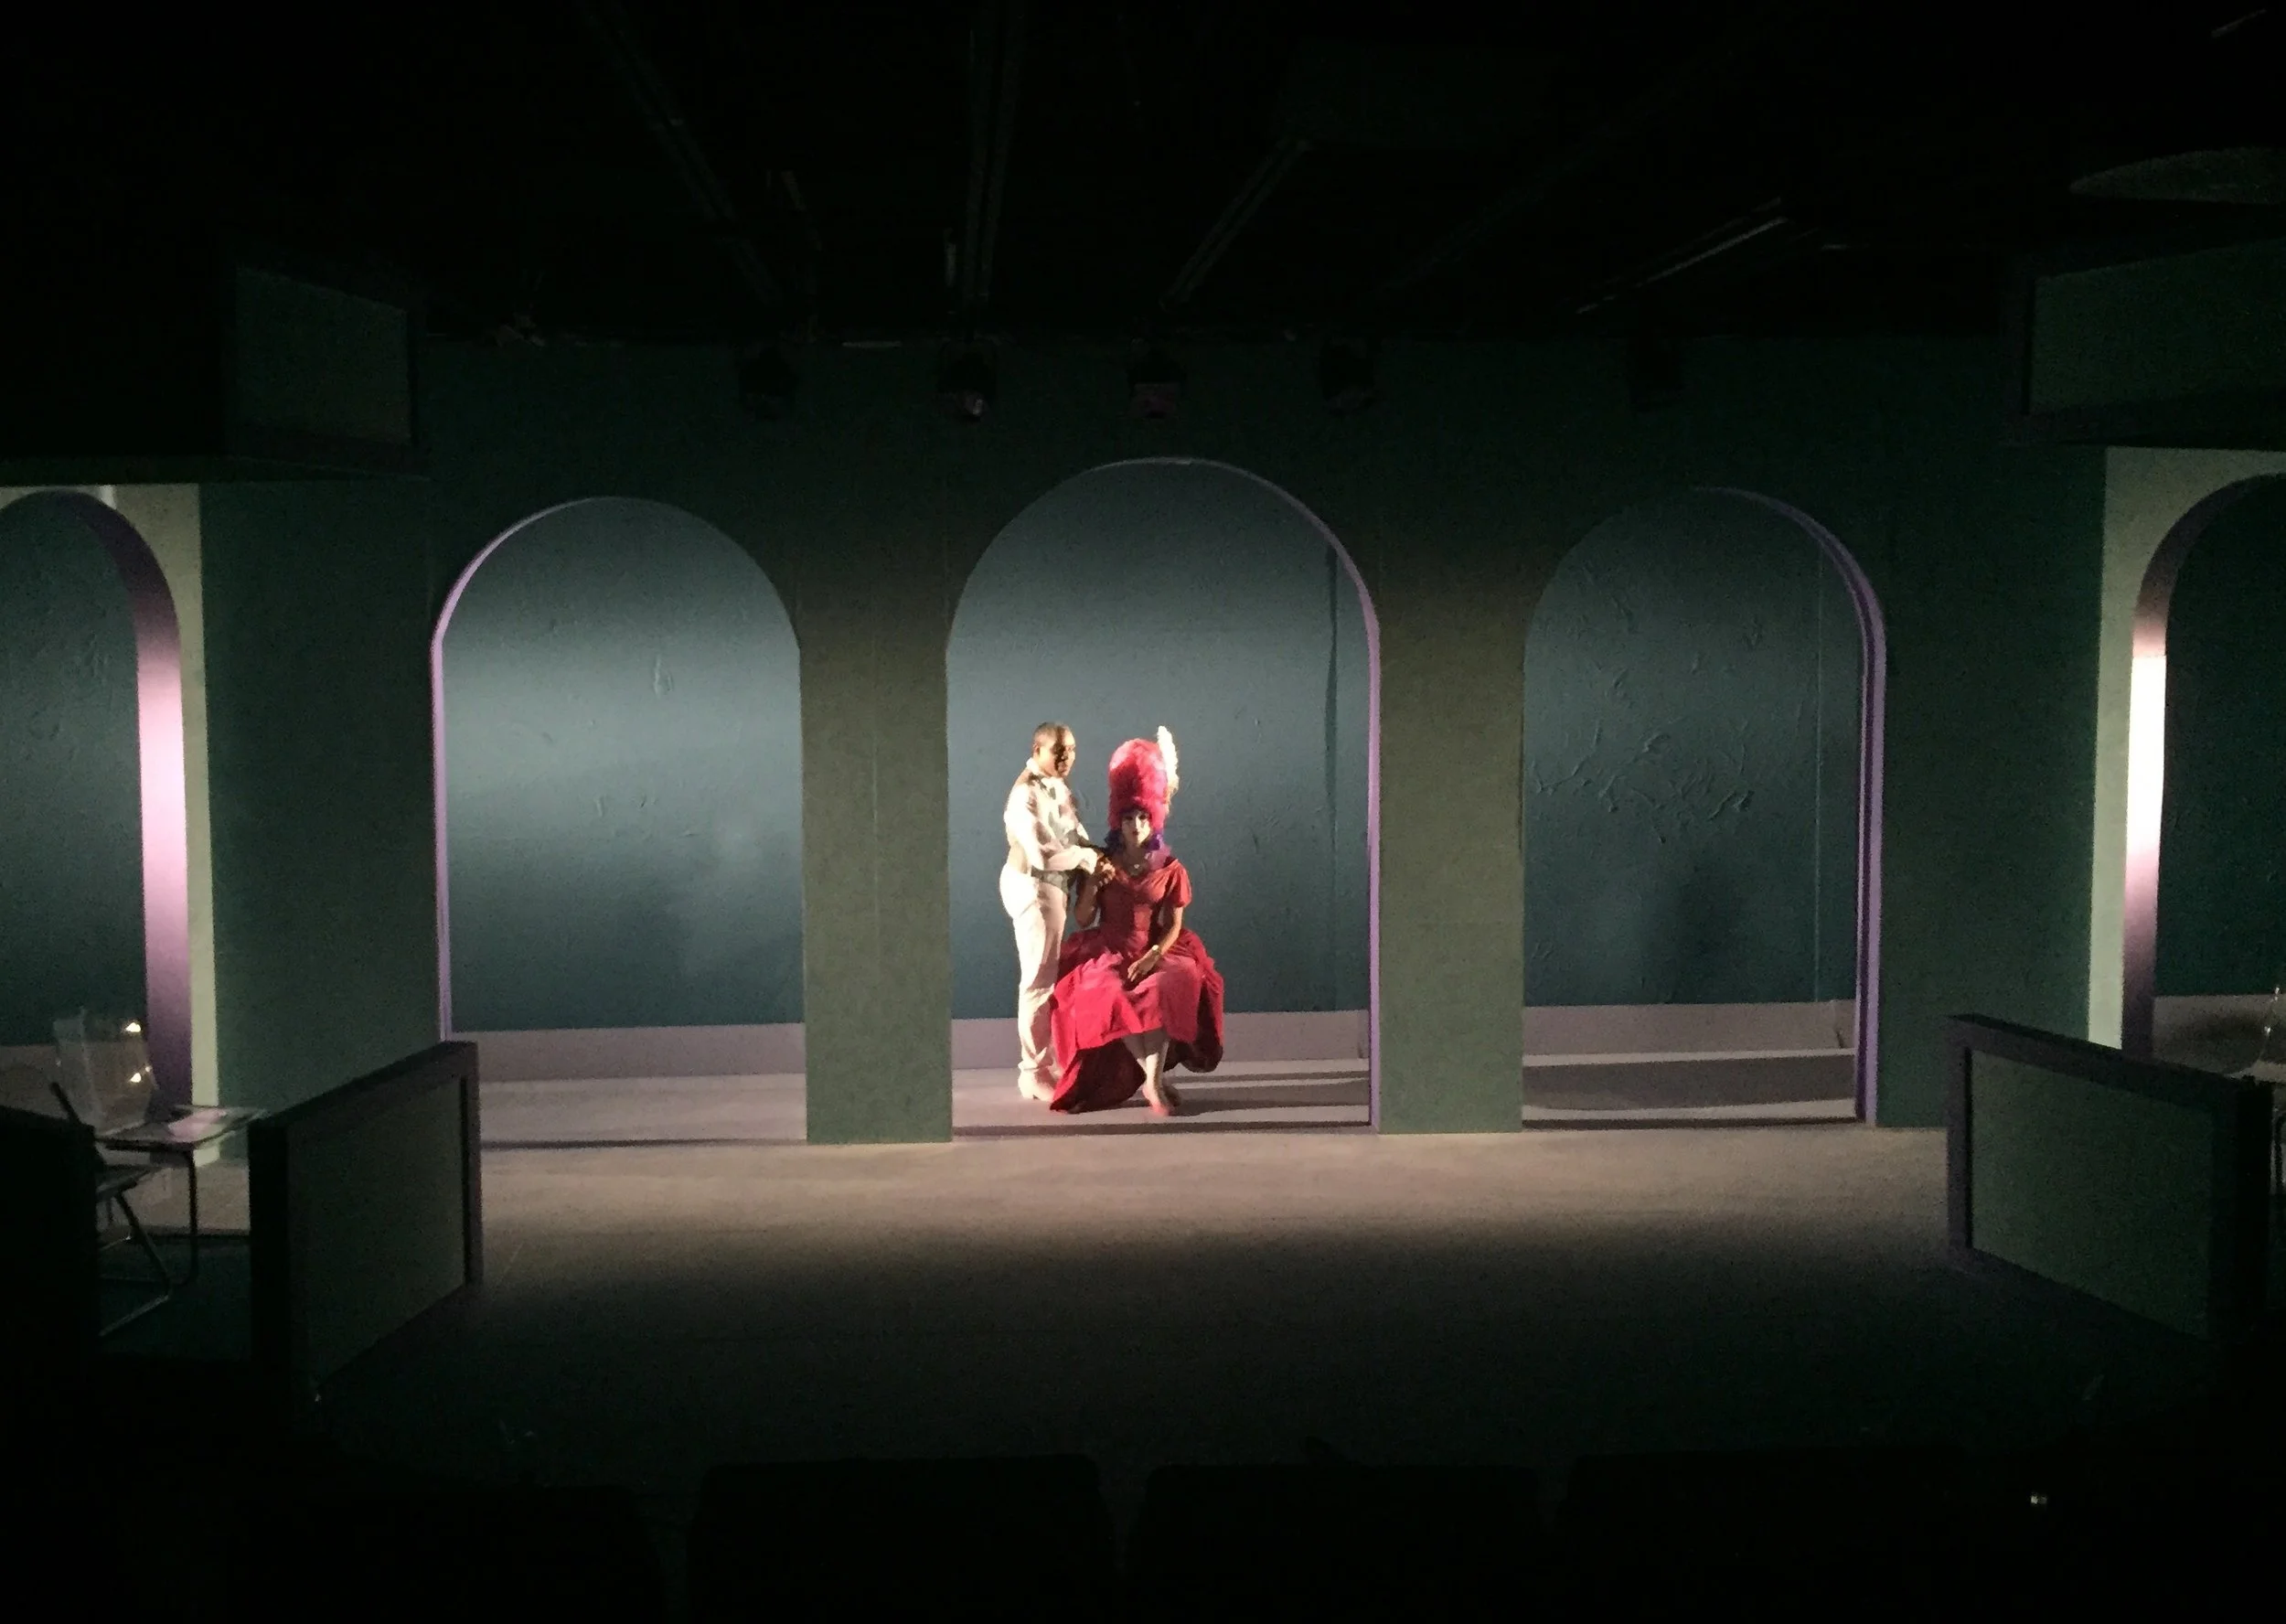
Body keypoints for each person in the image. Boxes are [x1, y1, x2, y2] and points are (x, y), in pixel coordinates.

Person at [1050, 728, 1224, 1116]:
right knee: (1109, 993)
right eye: (1129, 817)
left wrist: (1153, 956)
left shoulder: (1170, 868)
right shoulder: (1101, 861)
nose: (1136, 825)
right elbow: (1082, 919)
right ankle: (1152, 1079)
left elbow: (1175, 924)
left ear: (1154, 819)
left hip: (1154, 947)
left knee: (1163, 987)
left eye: (1143, 817)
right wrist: (1092, 885)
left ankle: (1152, 1081)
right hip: (1107, 949)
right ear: (1118, 820)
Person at [1003, 722, 1103, 1102]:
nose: (1066, 757)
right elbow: (1043, 855)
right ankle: (1033, 1071)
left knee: (1046, 979)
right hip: (1034, 886)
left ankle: (1043, 1063)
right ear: (1038, 750)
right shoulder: (1025, 794)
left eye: (1071, 749)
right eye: (1059, 750)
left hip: (1053, 888)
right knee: (1038, 982)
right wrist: (1087, 860)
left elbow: (1072, 833)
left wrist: (1096, 852)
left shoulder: (1058, 786)